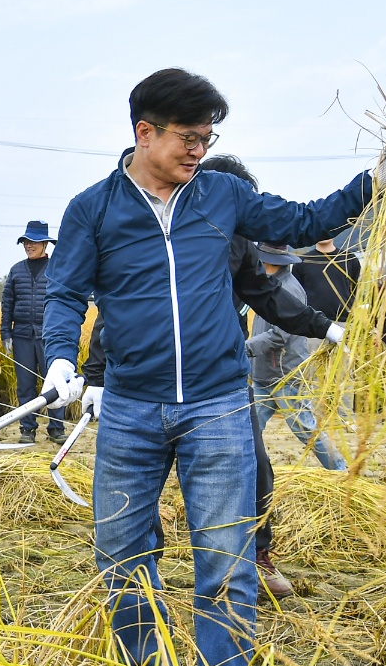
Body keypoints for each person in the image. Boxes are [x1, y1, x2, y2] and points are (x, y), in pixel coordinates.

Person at [41, 68, 374, 666]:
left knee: (224, 568)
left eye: (207, 137)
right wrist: (59, 361)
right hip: (129, 410)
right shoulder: (91, 210)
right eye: (188, 137)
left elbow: (303, 219)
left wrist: (373, 182)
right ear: (144, 132)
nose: (199, 149)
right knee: (124, 563)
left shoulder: (222, 196)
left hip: (219, 409)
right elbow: (67, 292)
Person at [78, 154, 343, 600]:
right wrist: (96, 376)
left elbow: (266, 294)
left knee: (256, 470)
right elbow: (111, 313)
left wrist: (324, 326)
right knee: (139, 483)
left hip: (220, 386)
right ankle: (143, 569)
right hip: (145, 389)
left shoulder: (236, 239)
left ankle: (256, 557)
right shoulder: (146, 231)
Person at [246, 244, 349, 472]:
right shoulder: (266, 285)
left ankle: (341, 470)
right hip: (264, 374)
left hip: (286, 375)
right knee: (249, 428)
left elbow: (279, 336)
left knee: (307, 429)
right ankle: (244, 471)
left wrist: (248, 348)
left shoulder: (289, 289)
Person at [0, 220, 66, 444]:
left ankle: (56, 428)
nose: (29, 245)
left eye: (34, 241)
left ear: (45, 243)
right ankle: (27, 429)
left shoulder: (57, 268)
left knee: (55, 384)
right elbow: (7, 303)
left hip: (49, 337)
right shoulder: (16, 270)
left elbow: (65, 301)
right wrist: (5, 333)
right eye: (26, 241)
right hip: (22, 337)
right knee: (25, 386)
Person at [296, 237, 360, 321]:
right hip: (313, 322)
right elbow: (297, 295)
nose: (323, 235)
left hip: (344, 320)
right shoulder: (302, 261)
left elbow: (355, 289)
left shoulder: (349, 258)